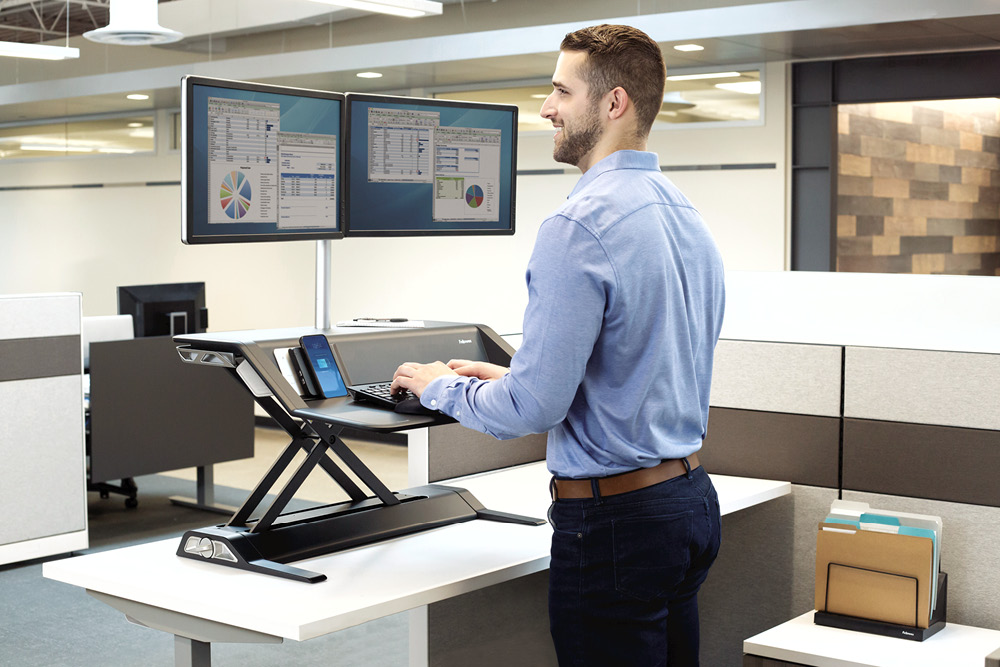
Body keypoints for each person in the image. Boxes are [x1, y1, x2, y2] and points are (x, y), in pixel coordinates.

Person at [391, 24, 726, 667]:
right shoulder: (685, 214)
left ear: (614, 103)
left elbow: (532, 413)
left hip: (617, 526)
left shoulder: (578, 226)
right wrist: (513, 377)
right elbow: (645, 363)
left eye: (559, 91)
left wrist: (439, 385)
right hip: (686, 506)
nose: (545, 108)